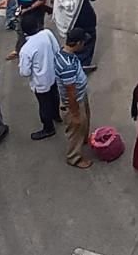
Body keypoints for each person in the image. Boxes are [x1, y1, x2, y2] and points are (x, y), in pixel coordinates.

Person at [17, 10, 60, 140]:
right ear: (37, 25)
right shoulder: (47, 34)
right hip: (53, 74)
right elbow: (57, 49)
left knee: (44, 104)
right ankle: (56, 115)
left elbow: (24, 72)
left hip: (40, 82)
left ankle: (48, 128)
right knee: (54, 96)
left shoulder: (26, 49)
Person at [51, 0, 101, 70]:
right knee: (88, 40)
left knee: (74, 40)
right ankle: (83, 63)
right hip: (86, 17)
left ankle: (73, 58)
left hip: (71, 22)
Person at [55, 28, 93, 169]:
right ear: (77, 43)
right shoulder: (67, 66)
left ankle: (83, 140)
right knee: (75, 129)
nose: (84, 45)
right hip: (74, 102)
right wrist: (75, 114)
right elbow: (70, 91)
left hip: (80, 96)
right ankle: (74, 157)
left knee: (83, 124)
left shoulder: (64, 53)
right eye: (83, 42)